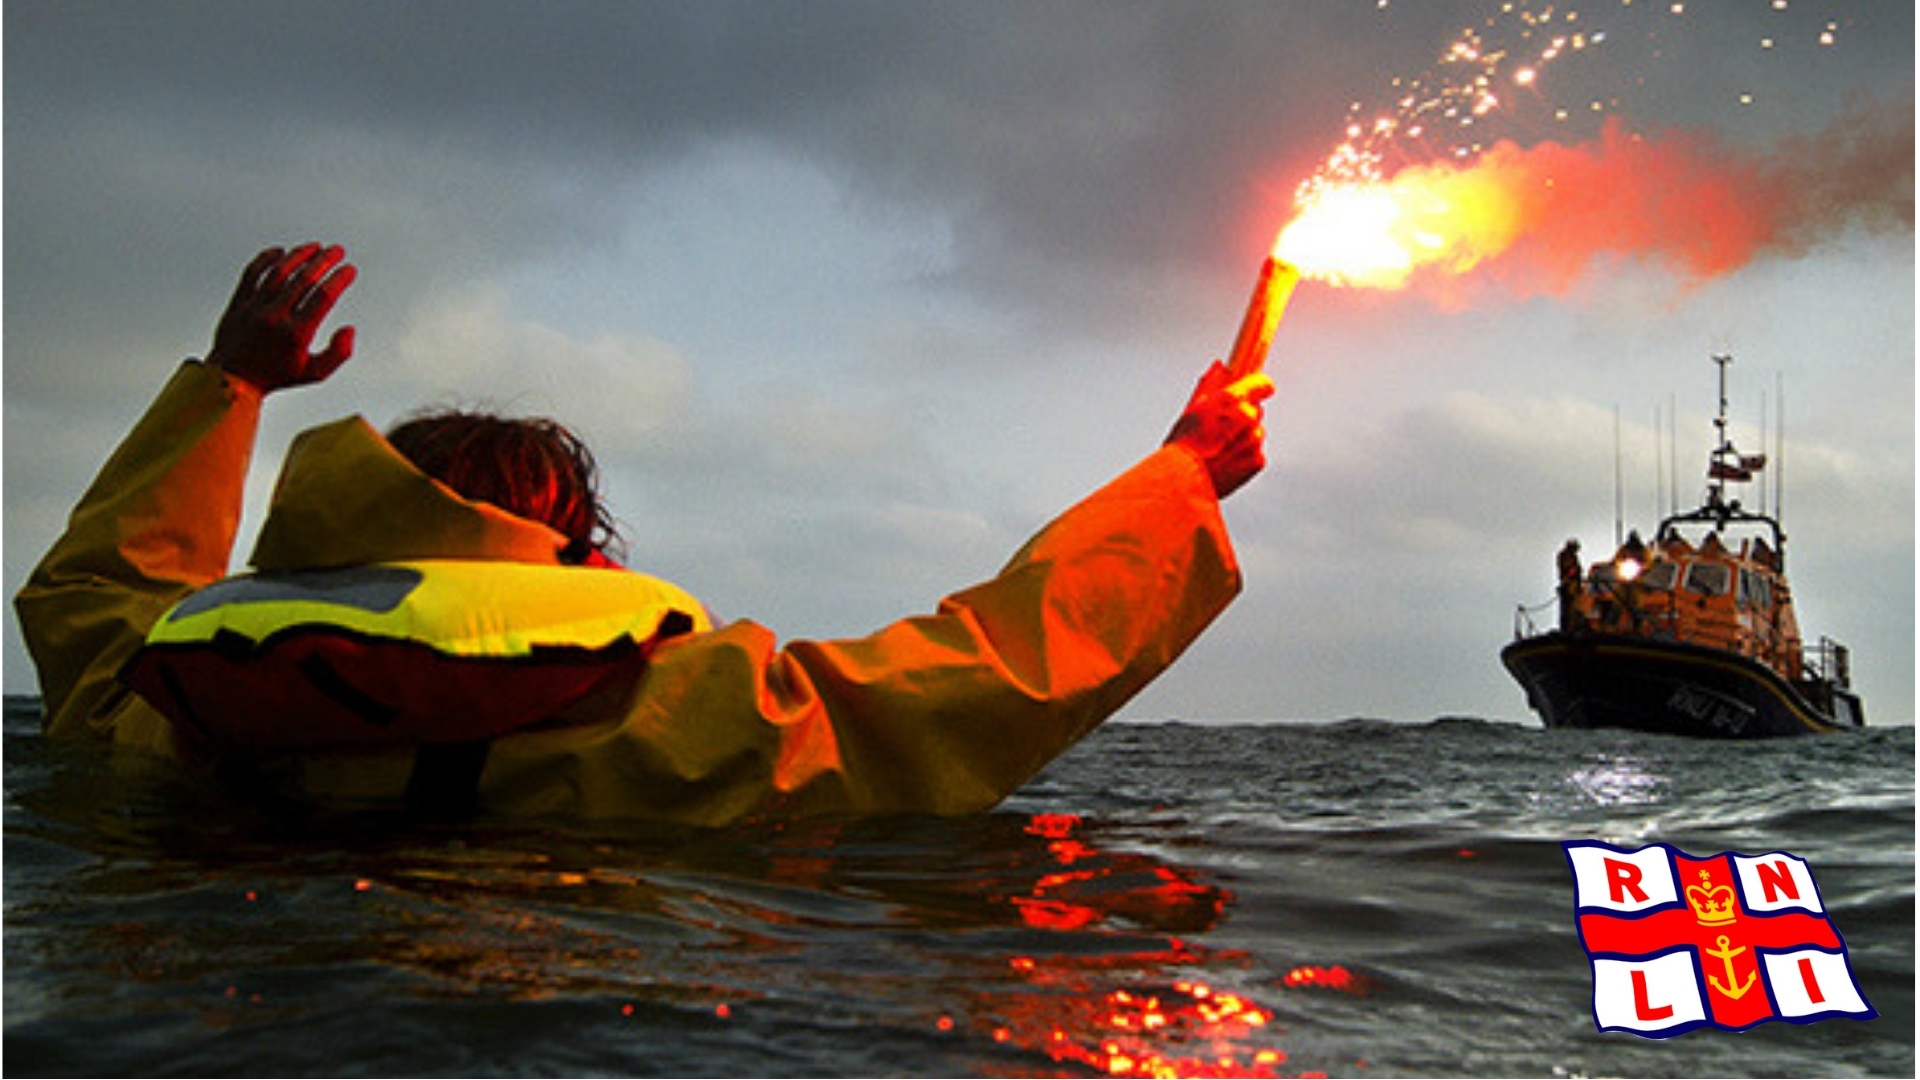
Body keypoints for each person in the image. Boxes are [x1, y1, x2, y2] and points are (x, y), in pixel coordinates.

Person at [16, 242, 1276, 824]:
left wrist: (230, 384)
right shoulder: (660, 727)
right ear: (566, 559)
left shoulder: (157, 696)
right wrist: (1180, 482)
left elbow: (90, 593)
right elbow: (978, 678)